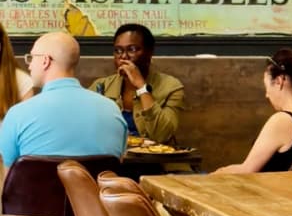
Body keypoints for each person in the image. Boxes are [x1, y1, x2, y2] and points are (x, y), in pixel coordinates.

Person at [0, 31, 127, 168]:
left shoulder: (17, 114)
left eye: (31, 57)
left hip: (34, 183)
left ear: (45, 61)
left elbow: (8, 174)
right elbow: (119, 161)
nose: (29, 65)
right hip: (96, 183)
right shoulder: (112, 110)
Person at [216, 48, 292, 174]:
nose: (267, 95)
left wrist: (215, 174)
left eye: (267, 87)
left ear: (279, 81)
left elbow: (246, 170)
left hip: (273, 187)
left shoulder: (282, 121)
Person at [91, 23, 185, 145]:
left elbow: (162, 135)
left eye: (132, 49)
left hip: (154, 156)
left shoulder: (171, 87)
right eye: (118, 51)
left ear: (149, 52)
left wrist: (141, 87)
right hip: (112, 154)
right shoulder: (101, 86)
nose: (123, 57)